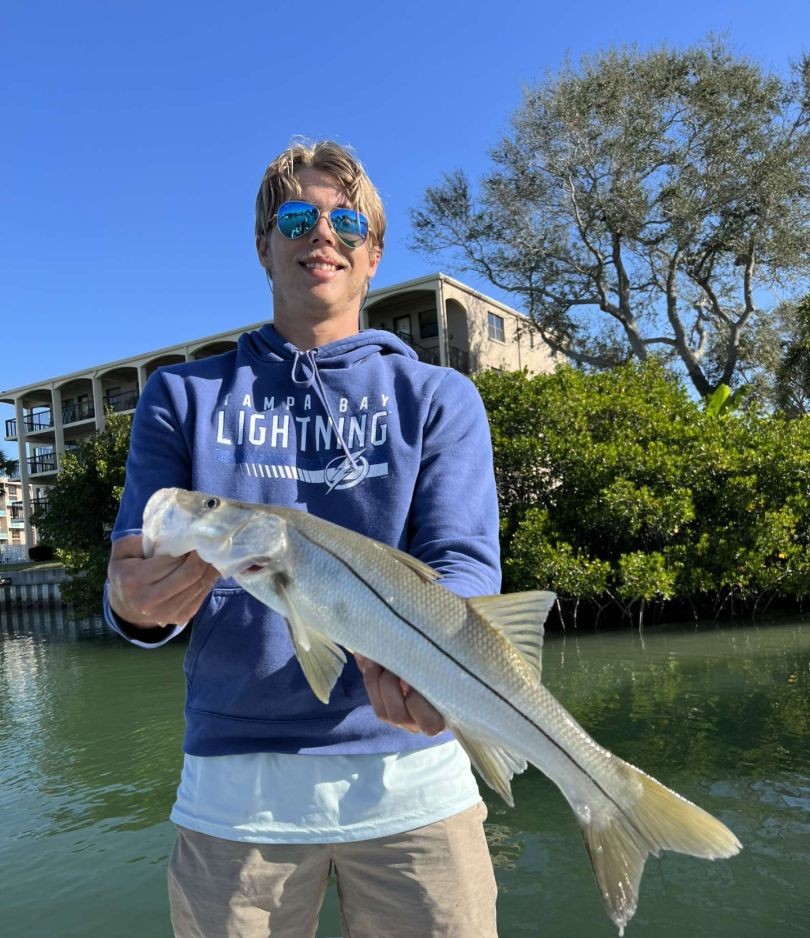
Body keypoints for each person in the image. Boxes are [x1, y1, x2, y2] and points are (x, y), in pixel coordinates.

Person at [105, 139, 502, 938]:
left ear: (373, 255)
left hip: (417, 786)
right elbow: (135, 561)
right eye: (296, 219)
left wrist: (438, 673)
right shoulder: (180, 395)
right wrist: (132, 603)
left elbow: (461, 563)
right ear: (264, 246)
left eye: (347, 222)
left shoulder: (441, 397)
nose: (322, 234)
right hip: (234, 801)